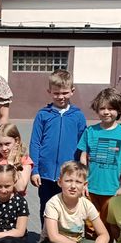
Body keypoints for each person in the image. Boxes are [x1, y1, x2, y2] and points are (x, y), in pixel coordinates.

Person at [39, 161, 115, 243]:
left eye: (78, 182)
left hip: (77, 240)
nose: (73, 186)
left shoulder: (86, 204)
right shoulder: (53, 203)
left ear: (85, 185)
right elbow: (53, 236)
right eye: (68, 181)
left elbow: (104, 234)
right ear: (60, 182)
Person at [29, 69, 86, 221]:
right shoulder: (43, 115)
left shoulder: (78, 116)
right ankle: (45, 235)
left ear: (72, 91)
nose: (61, 97)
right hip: (46, 174)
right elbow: (35, 143)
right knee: (46, 208)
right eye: (56, 93)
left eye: (65, 93)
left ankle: (64, 234)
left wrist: (81, 171)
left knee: (68, 209)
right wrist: (34, 170)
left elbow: (83, 146)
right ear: (49, 92)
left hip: (69, 174)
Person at [78, 88, 121, 225]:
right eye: (102, 108)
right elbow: (83, 158)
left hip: (113, 189)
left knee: (111, 224)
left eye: (111, 108)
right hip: (91, 188)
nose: (106, 112)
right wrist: (83, 181)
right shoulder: (90, 131)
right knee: (90, 224)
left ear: (119, 110)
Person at [0, 123, 33, 196]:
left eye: (7, 144)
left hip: (14, 201)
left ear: (16, 141)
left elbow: (20, 188)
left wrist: (11, 163)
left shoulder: (24, 160)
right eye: (0, 144)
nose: (4, 148)